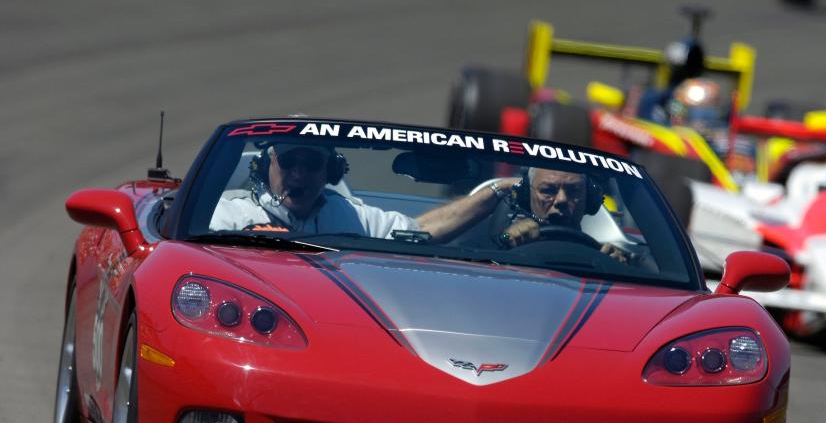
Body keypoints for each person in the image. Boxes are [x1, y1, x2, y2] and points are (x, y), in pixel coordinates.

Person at [209, 143, 514, 242]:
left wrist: (496, 191)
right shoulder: (225, 214)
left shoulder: (351, 216)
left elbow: (421, 232)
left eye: (313, 163)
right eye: (288, 163)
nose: (299, 174)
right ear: (266, 167)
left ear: (331, 172)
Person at [496, 167, 631, 263]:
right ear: (526, 195)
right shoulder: (511, 236)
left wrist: (616, 265)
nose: (561, 199)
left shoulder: (604, 255)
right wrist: (507, 236)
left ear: (589, 199)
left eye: (574, 191)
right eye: (548, 190)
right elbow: (497, 244)